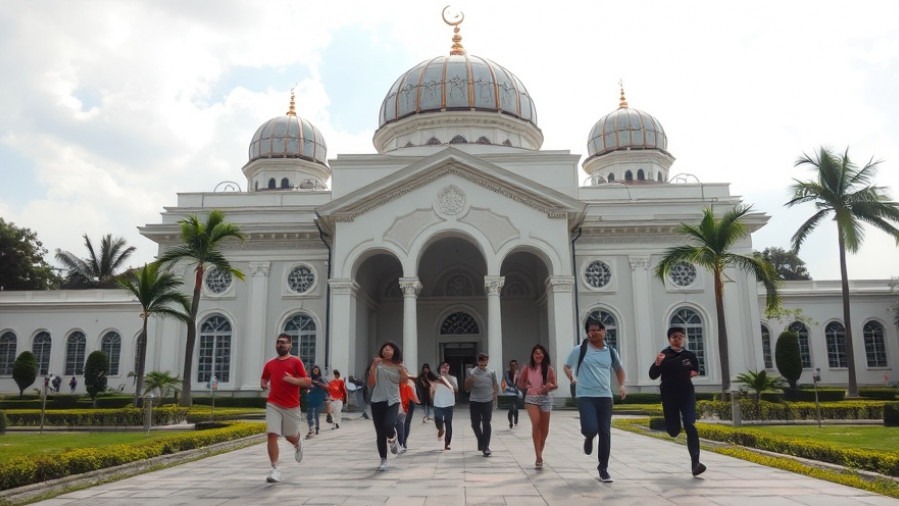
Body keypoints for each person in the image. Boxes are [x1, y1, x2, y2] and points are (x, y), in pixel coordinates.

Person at [564, 319, 626, 483]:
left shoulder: (611, 351)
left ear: (603, 331)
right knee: (590, 428)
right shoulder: (580, 349)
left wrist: (621, 386)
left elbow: (618, 369)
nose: (593, 333)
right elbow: (567, 366)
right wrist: (572, 378)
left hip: (605, 396)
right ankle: (589, 437)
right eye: (590, 331)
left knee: (605, 432)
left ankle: (603, 468)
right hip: (585, 396)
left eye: (596, 330)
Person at [649, 326, 706, 476]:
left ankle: (696, 463)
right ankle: (671, 425)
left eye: (681, 336)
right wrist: (657, 363)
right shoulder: (664, 355)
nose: (678, 339)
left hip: (686, 394)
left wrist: (684, 372)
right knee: (673, 431)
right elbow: (652, 375)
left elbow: (695, 370)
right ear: (670, 339)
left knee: (690, 424)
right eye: (674, 336)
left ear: (684, 339)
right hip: (669, 395)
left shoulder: (689, 355)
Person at [260, 333, 311, 483]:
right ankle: (274, 469)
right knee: (272, 434)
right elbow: (265, 377)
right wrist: (263, 383)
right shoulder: (270, 363)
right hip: (273, 404)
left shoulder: (295, 362)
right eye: (278, 342)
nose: (280, 345)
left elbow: (307, 381)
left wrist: (292, 380)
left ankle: (297, 442)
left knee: (290, 435)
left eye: (283, 343)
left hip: (292, 406)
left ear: (290, 345)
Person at [368, 341, 411, 471]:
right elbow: (371, 383)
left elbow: (405, 380)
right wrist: (374, 367)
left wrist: (402, 369)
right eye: (385, 349)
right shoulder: (377, 364)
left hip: (393, 400)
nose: (387, 351)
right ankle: (383, 459)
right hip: (377, 401)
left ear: (394, 352)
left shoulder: (399, 366)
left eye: (390, 349)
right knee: (380, 433)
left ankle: (393, 440)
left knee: (388, 424)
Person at [517, 344, 557, 469]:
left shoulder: (549, 369)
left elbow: (555, 384)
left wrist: (549, 387)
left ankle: (540, 450)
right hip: (531, 399)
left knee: (544, 429)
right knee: (537, 423)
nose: (538, 355)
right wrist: (527, 387)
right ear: (532, 356)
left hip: (545, 398)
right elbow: (520, 383)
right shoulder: (527, 368)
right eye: (536, 353)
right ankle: (538, 456)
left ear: (544, 355)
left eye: (540, 353)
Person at [465, 352, 499, 456]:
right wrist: (470, 381)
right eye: (481, 360)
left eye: (485, 360)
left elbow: (495, 384)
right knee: (475, 424)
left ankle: (486, 447)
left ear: (487, 361)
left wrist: (495, 396)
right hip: (475, 400)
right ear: (478, 361)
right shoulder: (471, 372)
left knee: (486, 422)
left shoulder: (491, 372)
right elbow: (466, 389)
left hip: (487, 400)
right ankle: (481, 440)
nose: (483, 362)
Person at [431, 361, 458, 451]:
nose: (445, 368)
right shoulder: (435, 379)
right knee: (438, 419)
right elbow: (432, 390)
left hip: (449, 404)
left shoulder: (453, 378)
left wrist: (448, 380)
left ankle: (447, 443)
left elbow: (456, 389)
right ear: (440, 369)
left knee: (448, 423)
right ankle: (440, 429)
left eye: (447, 367)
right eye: (443, 367)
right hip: (438, 404)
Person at [395, 378, 419, 452]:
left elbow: (414, 395)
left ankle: (403, 442)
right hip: (397, 402)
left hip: (408, 403)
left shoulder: (409, 382)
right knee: (398, 423)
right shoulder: (393, 380)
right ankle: (400, 442)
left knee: (405, 423)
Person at [305, 365, 328, 438]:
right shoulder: (309, 379)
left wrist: (318, 383)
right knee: (309, 415)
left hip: (319, 399)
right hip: (311, 398)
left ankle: (317, 427)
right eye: (314, 371)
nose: (315, 372)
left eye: (317, 371)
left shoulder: (321, 379)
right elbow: (306, 387)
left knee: (316, 414)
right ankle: (311, 428)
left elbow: (327, 387)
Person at [502, 359, 521, 429]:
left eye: (515, 365)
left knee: (515, 408)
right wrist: (512, 386)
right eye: (512, 365)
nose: (513, 366)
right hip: (509, 392)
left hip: (516, 393)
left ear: (517, 366)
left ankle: (516, 418)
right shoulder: (507, 373)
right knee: (511, 408)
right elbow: (506, 381)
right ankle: (510, 422)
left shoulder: (519, 374)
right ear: (510, 366)